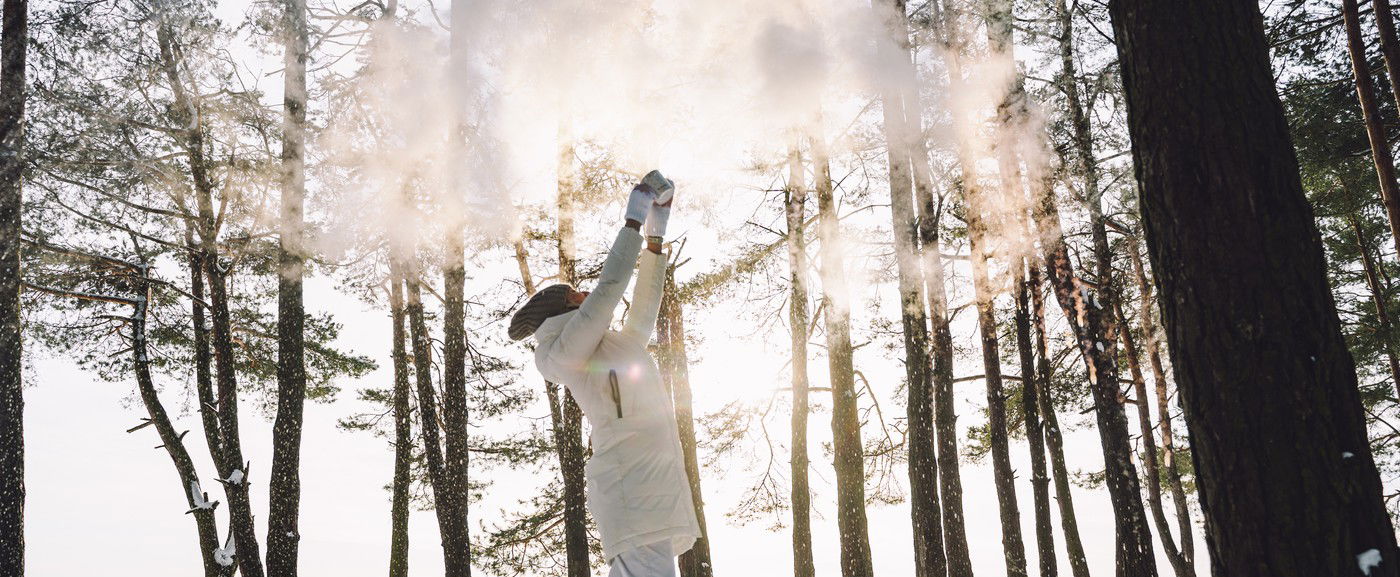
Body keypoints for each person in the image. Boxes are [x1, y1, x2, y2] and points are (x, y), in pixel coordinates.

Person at [508, 170, 700, 577]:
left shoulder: (611, 347)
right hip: (632, 490)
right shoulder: (563, 352)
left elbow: (644, 306)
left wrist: (654, 239)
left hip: (650, 489)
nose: (585, 294)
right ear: (561, 309)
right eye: (576, 293)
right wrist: (632, 220)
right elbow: (610, 288)